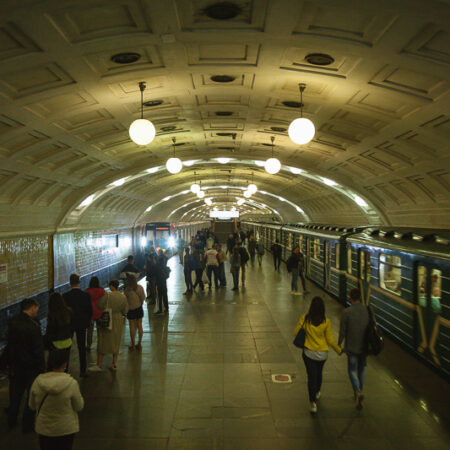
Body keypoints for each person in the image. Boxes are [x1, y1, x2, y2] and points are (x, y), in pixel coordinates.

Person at [293, 296, 342, 413]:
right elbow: (330, 340)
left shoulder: (305, 319)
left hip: (309, 353)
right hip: (322, 354)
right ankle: (318, 391)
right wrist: (339, 350)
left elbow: (295, 333)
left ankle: (313, 403)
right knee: (319, 373)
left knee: (311, 376)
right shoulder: (326, 321)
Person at [3, 298, 45, 431]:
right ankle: (27, 424)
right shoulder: (34, 326)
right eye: (36, 310)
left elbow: (9, 345)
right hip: (31, 367)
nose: (36, 313)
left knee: (15, 395)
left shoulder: (12, 323)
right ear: (32, 308)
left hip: (15, 366)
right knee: (30, 397)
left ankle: (12, 420)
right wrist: (41, 368)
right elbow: (38, 350)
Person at [29, 349, 84, 450]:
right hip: (66, 429)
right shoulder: (71, 383)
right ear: (65, 364)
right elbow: (79, 406)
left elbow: (32, 406)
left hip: (44, 429)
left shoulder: (38, 382)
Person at [338, 288, 370, 410]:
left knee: (352, 370)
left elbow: (342, 332)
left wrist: (339, 344)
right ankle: (360, 392)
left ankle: (357, 391)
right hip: (364, 347)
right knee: (361, 369)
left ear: (350, 298)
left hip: (352, 346)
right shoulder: (367, 310)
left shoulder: (346, 312)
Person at [88, 280, 128, 372]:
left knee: (103, 340)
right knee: (116, 340)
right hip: (118, 319)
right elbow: (125, 310)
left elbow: (99, 305)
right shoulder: (123, 297)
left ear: (111, 286)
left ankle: (99, 364)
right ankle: (114, 364)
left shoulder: (108, 296)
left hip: (107, 318)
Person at [63, 274, 92, 377]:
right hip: (81, 323)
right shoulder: (85, 295)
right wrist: (87, 322)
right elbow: (89, 311)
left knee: (67, 347)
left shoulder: (65, 296)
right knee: (81, 347)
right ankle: (83, 370)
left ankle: (65, 369)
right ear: (79, 281)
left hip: (69, 324)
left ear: (70, 282)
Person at [44, 293, 73, 359]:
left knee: (55, 364)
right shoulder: (69, 311)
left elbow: (50, 332)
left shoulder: (52, 315)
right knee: (64, 362)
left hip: (56, 344)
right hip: (67, 342)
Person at [124, 275, 146, 350]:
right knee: (139, 325)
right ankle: (139, 343)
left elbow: (125, 301)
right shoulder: (139, 288)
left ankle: (133, 344)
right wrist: (140, 303)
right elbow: (143, 298)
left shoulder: (127, 290)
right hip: (139, 308)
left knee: (132, 326)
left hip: (131, 310)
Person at [85, 277, 106, 351]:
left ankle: (88, 345)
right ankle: (100, 344)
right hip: (100, 311)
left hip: (90, 312)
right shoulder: (102, 291)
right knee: (100, 330)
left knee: (89, 330)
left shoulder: (87, 291)